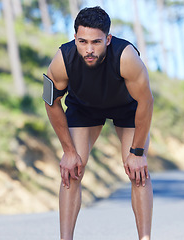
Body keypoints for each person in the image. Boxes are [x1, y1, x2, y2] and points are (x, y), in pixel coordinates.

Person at [44, 6, 154, 240]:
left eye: (96, 42)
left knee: (138, 171)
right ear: (75, 38)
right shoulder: (62, 60)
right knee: (71, 170)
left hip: (127, 107)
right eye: (82, 42)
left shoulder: (126, 57)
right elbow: (50, 102)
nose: (89, 49)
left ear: (108, 39)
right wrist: (68, 151)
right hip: (84, 107)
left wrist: (137, 153)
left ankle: (145, 238)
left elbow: (146, 102)